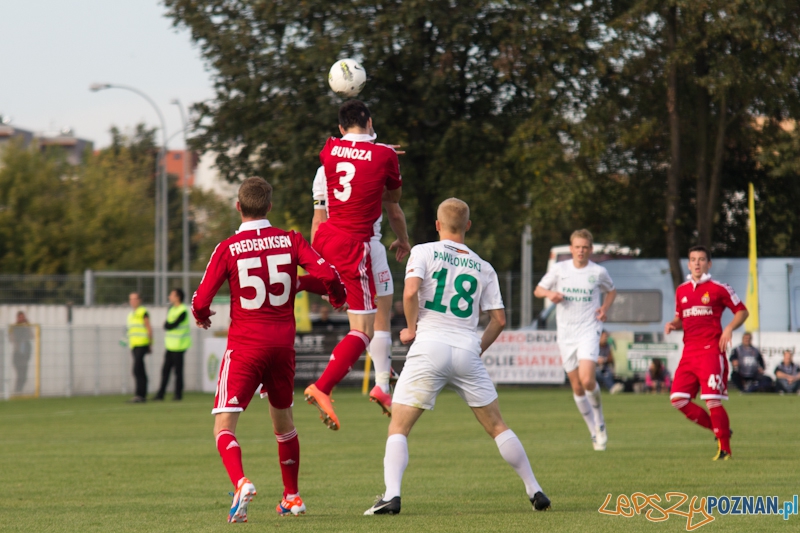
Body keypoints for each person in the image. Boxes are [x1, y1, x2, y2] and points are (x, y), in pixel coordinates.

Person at [364, 198, 550, 515]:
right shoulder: (484, 266)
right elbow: (499, 320)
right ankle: (535, 489)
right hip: (466, 349)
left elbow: (410, 292)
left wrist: (411, 329)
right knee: (497, 426)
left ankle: (391, 496)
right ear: (468, 226)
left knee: (399, 428)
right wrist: (476, 349)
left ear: (438, 225)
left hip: (429, 346)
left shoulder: (423, 251)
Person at [192, 177, 346, 522]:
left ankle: (241, 483)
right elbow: (327, 273)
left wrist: (202, 316)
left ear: (238, 206)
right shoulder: (290, 240)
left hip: (246, 347)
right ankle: (292, 496)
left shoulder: (228, 247)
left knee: (224, 427)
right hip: (281, 348)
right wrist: (334, 294)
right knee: (284, 424)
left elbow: (201, 300)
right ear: (270, 207)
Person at [303, 99, 408, 431]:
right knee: (363, 329)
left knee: (357, 303)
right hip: (356, 246)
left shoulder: (329, 151)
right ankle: (323, 387)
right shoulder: (384, 156)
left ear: (339, 129)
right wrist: (382, 151)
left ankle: (381, 382)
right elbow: (393, 203)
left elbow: (352, 151)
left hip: (326, 240)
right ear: (371, 121)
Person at [534, 229, 617, 451]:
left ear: (590, 250)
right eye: (577, 247)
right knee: (577, 386)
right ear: (571, 249)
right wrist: (550, 294)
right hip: (566, 334)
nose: (581, 251)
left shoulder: (598, 272)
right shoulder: (560, 269)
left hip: (588, 330)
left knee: (588, 379)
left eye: (585, 247)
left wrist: (604, 308)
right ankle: (592, 430)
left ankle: (600, 423)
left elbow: (611, 291)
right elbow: (538, 290)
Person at [665, 245, 748, 461]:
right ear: (688, 263)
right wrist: (674, 324)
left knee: (712, 400)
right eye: (693, 259)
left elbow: (742, 311)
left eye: (701, 259)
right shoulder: (681, 290)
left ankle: (725, 449)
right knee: (678, 399)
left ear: (708, 264)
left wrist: (728, 328)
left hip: (711, 351)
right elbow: (680, 317)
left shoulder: (720, 288)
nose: (697, 263)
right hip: (689, 353)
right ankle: (719, 430)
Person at [154, 289, 191, 401]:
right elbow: (166, 325)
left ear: (178, 297)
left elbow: (171, 325)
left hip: (179, 346)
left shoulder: (183, 310)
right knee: (165, 370)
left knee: (178, 372)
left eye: (171, 295)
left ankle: (178, 394)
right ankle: (161, 394)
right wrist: (169, 324)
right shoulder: (171, 309)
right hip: (170, 346)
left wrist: (169, 324)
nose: (169, 296)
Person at [126, 292, 152, 403]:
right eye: (131, 299)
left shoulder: (143, 312)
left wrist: (150, 343)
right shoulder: (131, 314)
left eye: (135, 299)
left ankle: (140, 394)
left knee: (137, 369)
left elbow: (148, 328)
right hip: (134, 345)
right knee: (140, 369)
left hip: (142, 343)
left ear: (140, 300)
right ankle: (141, 395)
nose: (133, 301)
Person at [10, 311, 33, 393]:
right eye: (20, 317)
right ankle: (17, 391)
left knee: (24, 377)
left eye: (23, 317)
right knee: (20, 375)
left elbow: (32, 336)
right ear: (17, 318)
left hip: (25, 356)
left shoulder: (26, 328)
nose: (22, 319)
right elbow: (11, 339)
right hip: (17, 355)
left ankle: (19, 391)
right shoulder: (13, 327)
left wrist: (28, 325)